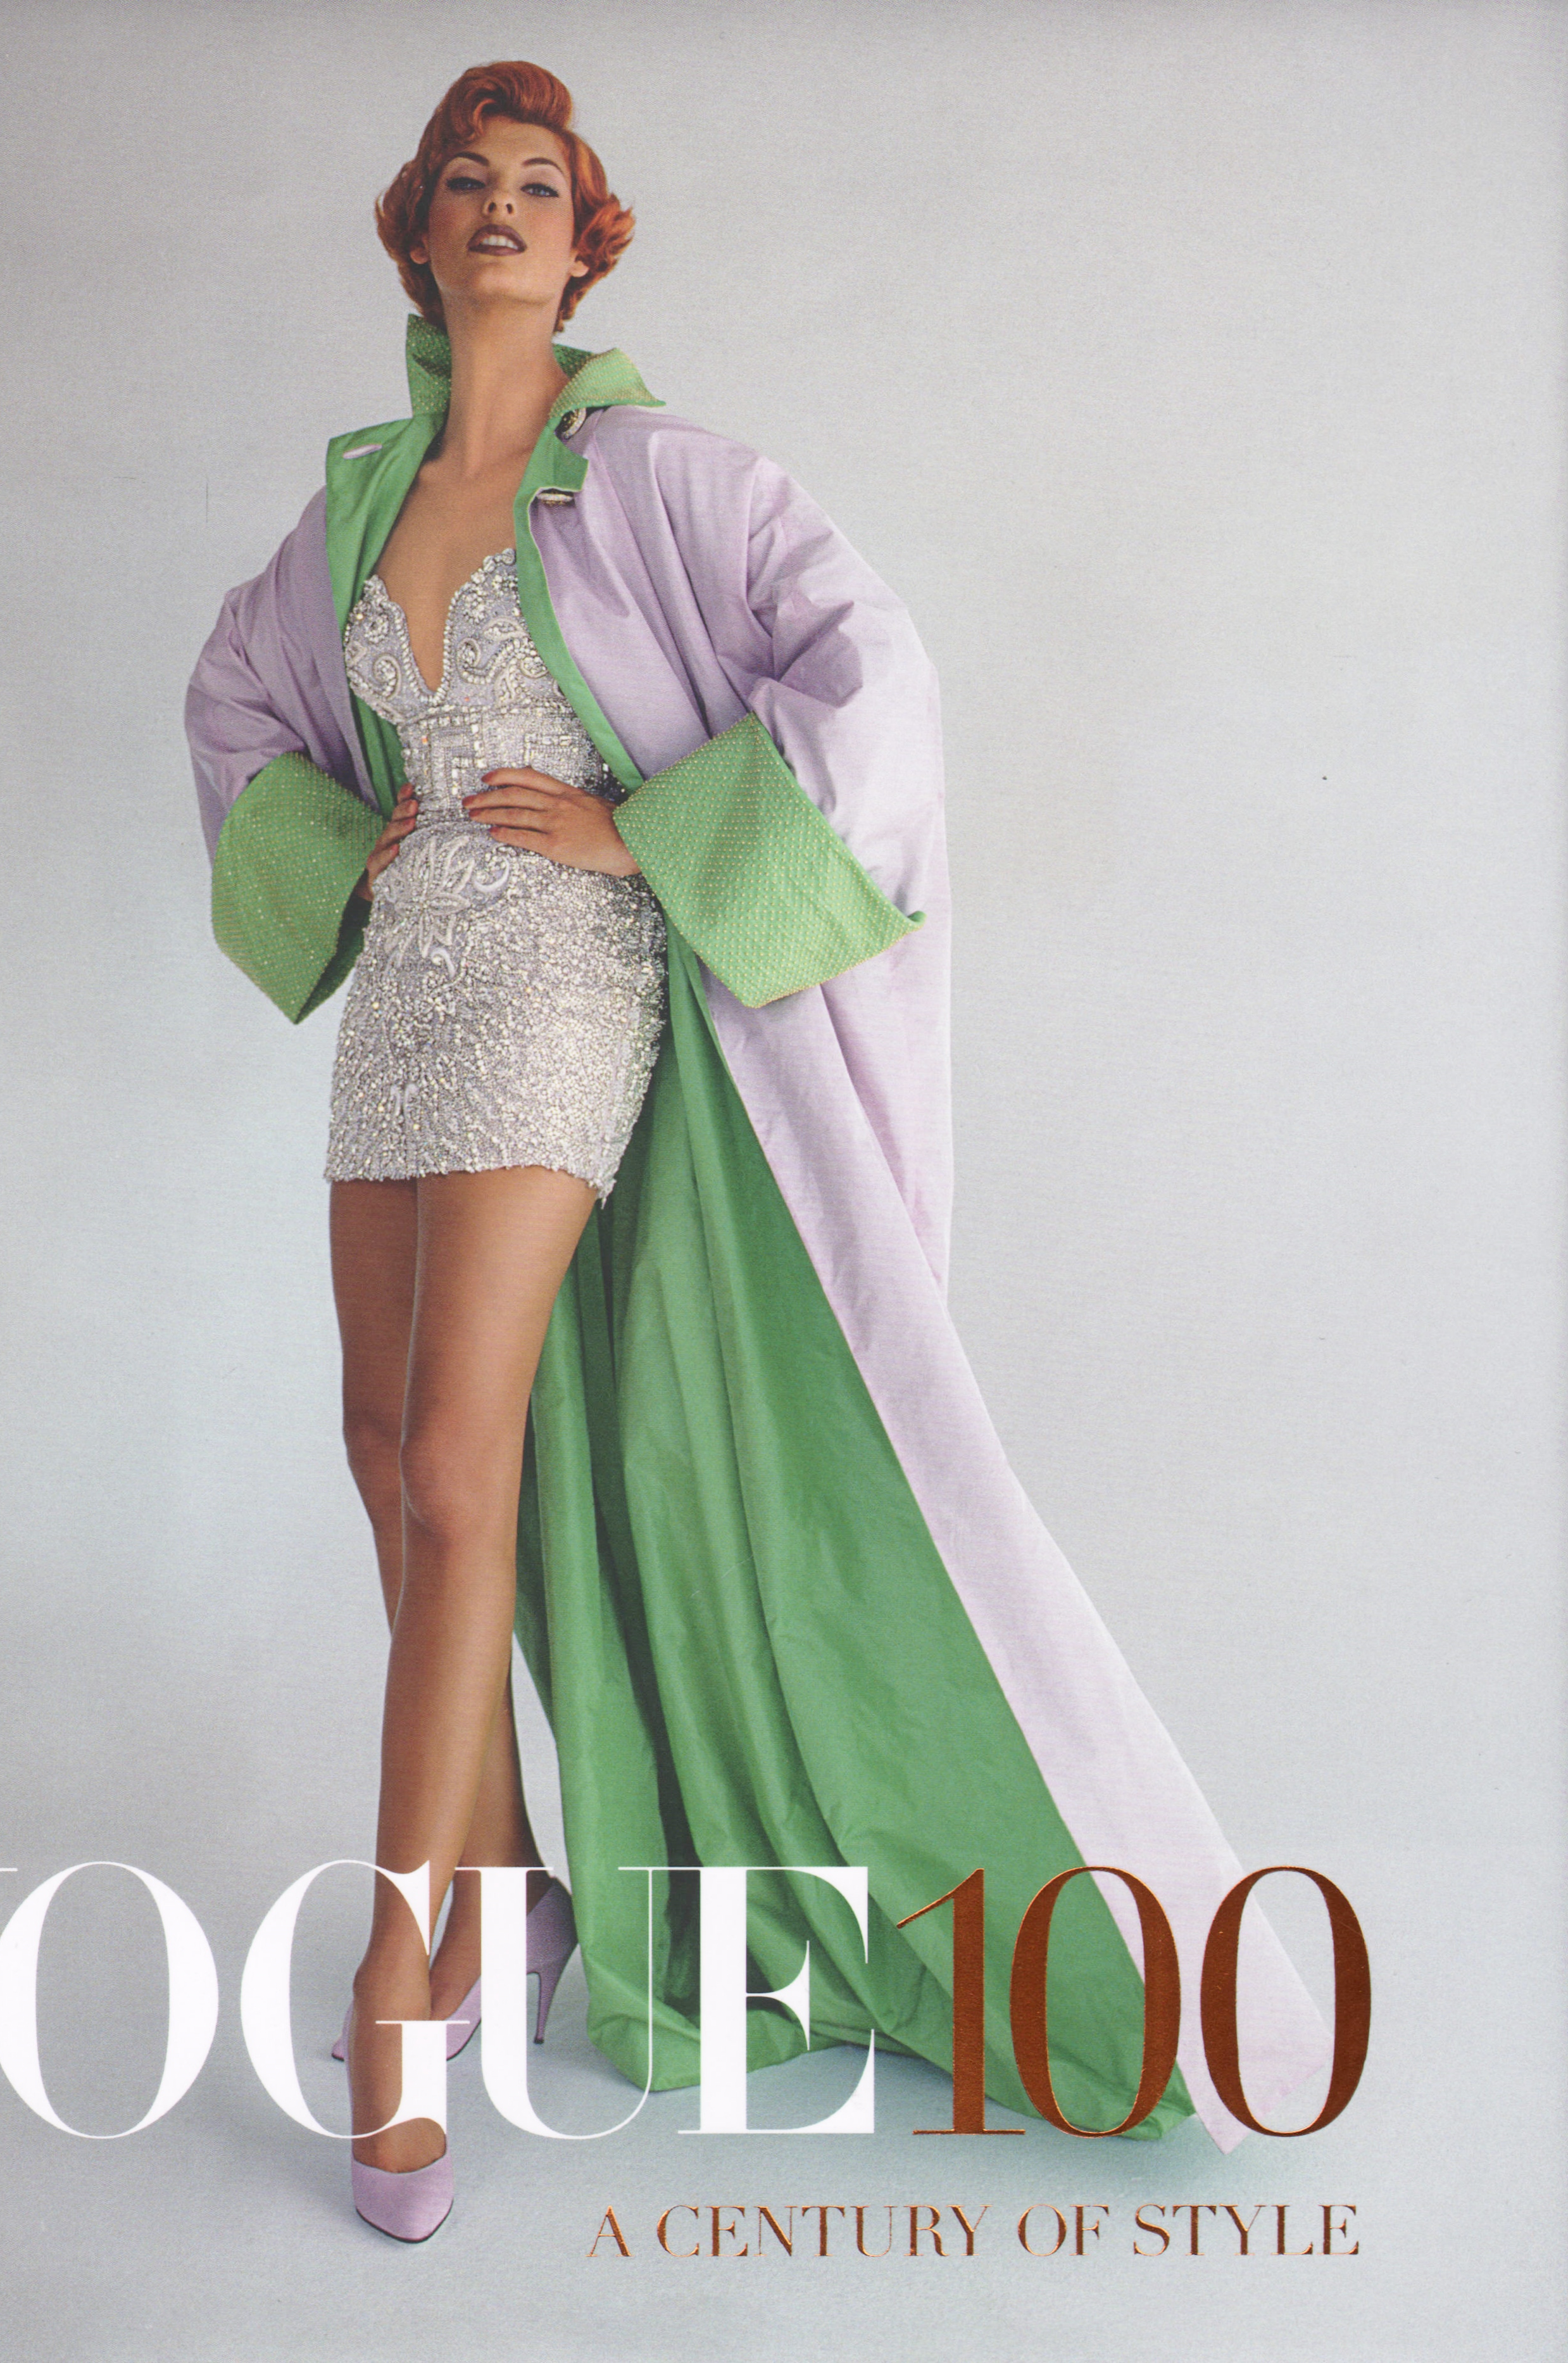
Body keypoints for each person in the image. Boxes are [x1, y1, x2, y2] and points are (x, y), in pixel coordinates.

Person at [186, 61, 1329, 2243]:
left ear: (587, 243)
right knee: (377, 1439)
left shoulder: (660, 479)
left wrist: (649, 829)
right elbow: (234, 708)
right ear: (412, 235)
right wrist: (342, 846)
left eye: (540, 186)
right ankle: (504, 1880)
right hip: (414, 984)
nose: (502, 208)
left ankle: (399, 1986)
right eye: (464, 182)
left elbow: (874, 670)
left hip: (563, 985)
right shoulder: (349, 513)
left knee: (460, 1468)